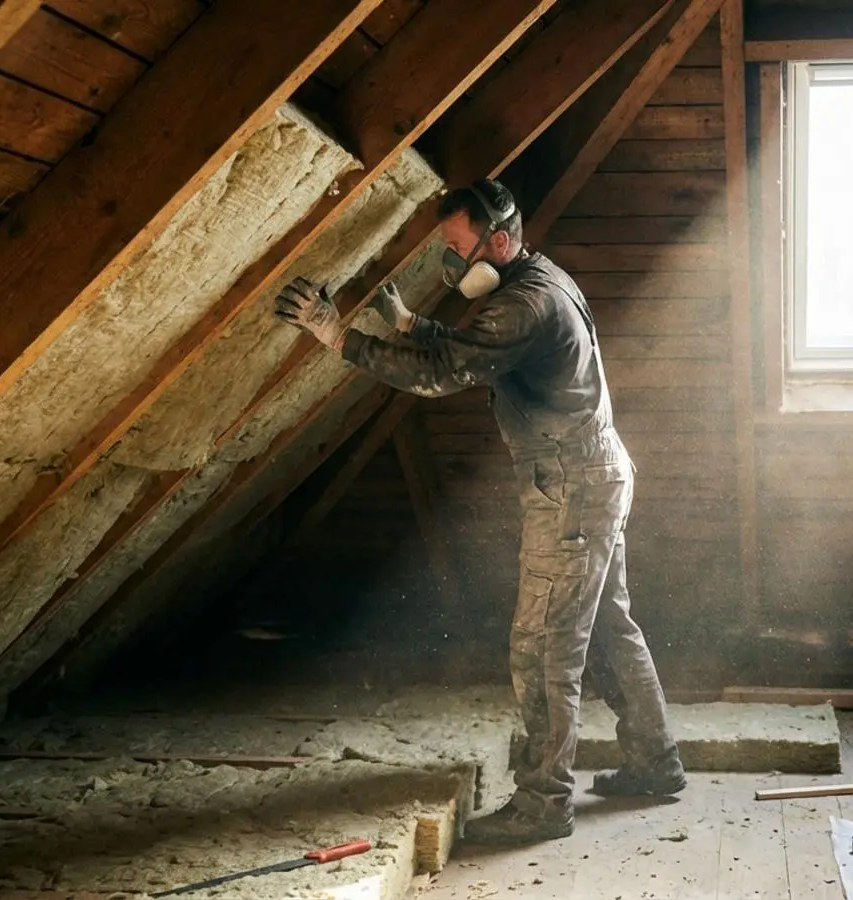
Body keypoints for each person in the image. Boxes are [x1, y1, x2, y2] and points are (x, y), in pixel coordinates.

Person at [273, 178, 686, 845]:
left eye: (457, 247)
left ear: (497, 241)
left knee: (543, 647)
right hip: (595, 472)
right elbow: (482, 353)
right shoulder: (540, 277)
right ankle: (656, 763)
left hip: (573, 488)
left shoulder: (523, 305)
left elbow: (445, 374)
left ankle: (545, 802)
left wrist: (336, 336)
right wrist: (411, 324)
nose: (451, 262)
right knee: (610, 628)